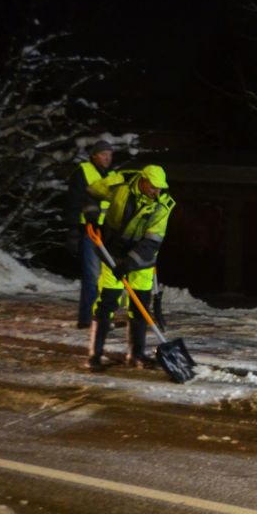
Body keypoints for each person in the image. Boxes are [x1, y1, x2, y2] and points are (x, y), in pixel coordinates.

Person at [83, 164, 175, 372]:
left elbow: (152, 241)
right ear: (143, 181)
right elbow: (91, 193)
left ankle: (136, 354)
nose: (157, 192)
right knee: (107, 302)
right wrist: (92, 217)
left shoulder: (164, 205)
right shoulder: (120, 184)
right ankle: (94, 355)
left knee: (140, 305)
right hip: (112, 254)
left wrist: (129, 264)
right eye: (153, 187)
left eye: (160, 188)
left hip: (141, 260)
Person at [65, 140, 113, 329]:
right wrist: (73, 229)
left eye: (110, 155)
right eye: (103, 154)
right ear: (94, 155)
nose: (107, 158)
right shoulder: (83, 171)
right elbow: (74, 202)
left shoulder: (113, 175)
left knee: (107, 277)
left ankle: (102, 316)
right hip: (90, 230)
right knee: (92, 276)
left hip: (108, 231)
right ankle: (87, 318)